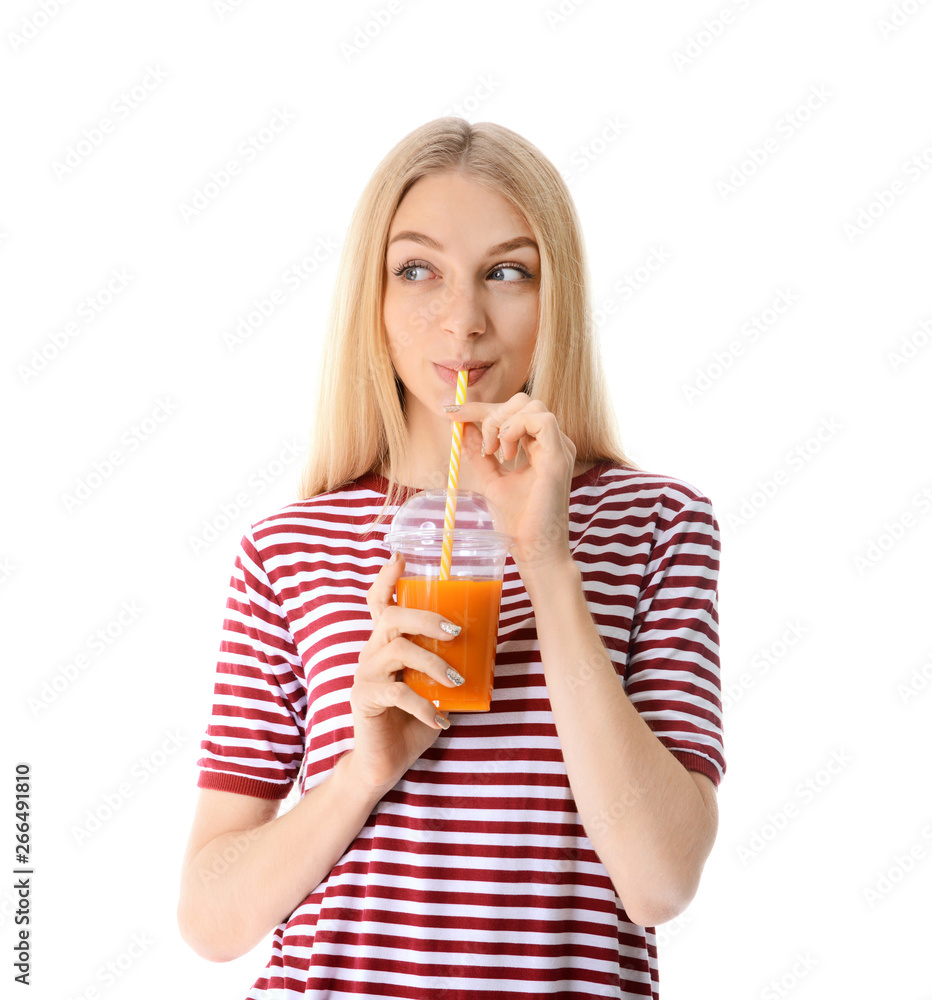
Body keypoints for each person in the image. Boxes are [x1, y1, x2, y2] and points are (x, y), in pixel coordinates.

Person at [178, 117, 725, 999]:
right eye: (417, 270)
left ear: (558, 299)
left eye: (507, 272)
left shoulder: (658, 525)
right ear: (374, 299)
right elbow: (211, 918)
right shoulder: (288, 550)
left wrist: (544, 558)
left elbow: (658, 882)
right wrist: (365, 768)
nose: (463, 320)